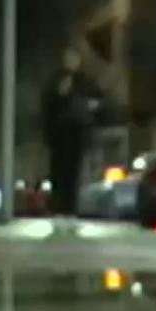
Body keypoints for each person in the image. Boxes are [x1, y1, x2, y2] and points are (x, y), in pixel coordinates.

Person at [41, 47, 100, 217]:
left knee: (73, 170)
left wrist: (90, 106)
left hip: (77, 130)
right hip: (59, 132)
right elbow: (48, 104)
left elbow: (97, 99)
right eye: (68, 59)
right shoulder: (56, 80)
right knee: (57, 170)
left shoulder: (85, 81)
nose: (70, 62)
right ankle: (57, 205)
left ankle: (70, 206)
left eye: (73, 59)